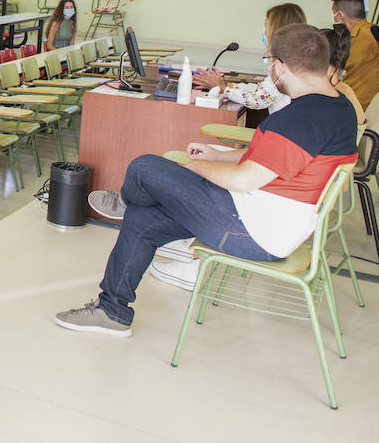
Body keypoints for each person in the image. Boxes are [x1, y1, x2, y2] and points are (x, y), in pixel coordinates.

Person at [56, 24, 358, 336]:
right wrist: (218, 156)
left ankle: (125, 199)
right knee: (142, 220)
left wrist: (193, 166)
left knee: (144, 167)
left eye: (270, 63)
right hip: (269, 223)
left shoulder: (300, 120)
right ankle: (112, 311)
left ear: (280, 67)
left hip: (250, 230)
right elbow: (275, 161)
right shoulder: (337, 107)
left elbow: (244, 180)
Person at [330, 0, 379, 110]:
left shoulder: (360, 40)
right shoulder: (375, 34)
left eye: (333, 14)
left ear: (339, 16)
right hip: (372, 106)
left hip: (352, 107)